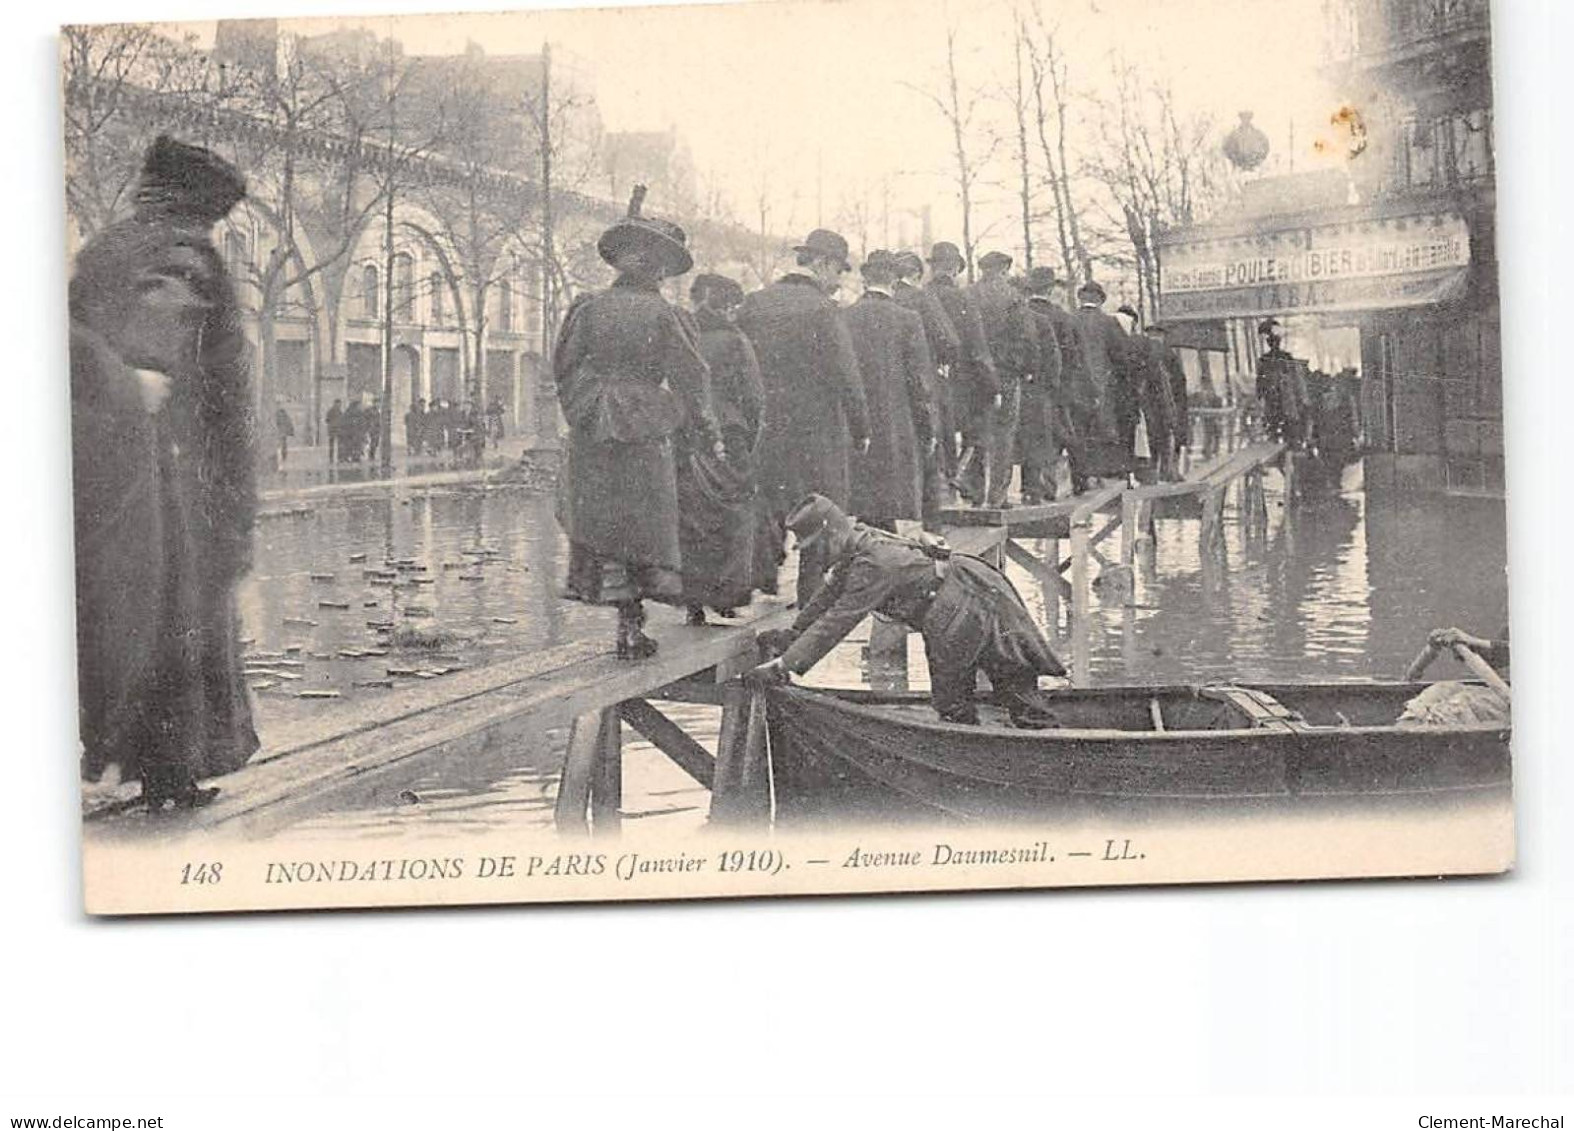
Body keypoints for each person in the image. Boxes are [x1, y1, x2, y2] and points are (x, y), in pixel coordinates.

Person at [68, 134, 259, 810]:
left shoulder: (102, 248)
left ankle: (131, 758)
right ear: (202, 206)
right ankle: (172, 771)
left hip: (96, 462)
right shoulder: (184, 251)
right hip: (176, 466)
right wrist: (149, 372)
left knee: (121, 610)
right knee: (183, 611)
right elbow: (162, 316)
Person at [555, 187, 719, 659]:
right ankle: (633, 624)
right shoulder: (668, 315)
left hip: (594, 426)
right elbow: (692, 379)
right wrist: (702, 430)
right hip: (646, 428)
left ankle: (624, 624)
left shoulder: (585, 308)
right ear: (661, 269)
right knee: (643, 526)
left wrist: (587, 408)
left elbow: (564, 369)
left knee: (602, 523)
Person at [749, 495, 1066, 727]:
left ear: (832, 534)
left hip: (966, 603)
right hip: (966, 594)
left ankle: (1024, 747)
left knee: (974, 693)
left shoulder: (873, 565)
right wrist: (792, 636)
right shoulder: (858, 545)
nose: (814, 556)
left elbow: (837, 621)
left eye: (816, 546)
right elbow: (826, 599)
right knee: (998, 684)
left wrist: (785, 664)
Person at [736, 227, 870, 607]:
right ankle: (809, 598)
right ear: (823, 264)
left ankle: (760, 582)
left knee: (767, 500)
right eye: (839, 270)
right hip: (817, 429)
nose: (839, 280)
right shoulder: (823, 310)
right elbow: (847, 374)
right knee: (820, 509)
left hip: (764, 423)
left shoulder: (754, 303)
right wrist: (861, 428)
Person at [678, 273, 766, 622]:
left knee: (691, 516)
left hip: (686, 432)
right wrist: (751, 434)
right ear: (729, 306)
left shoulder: (683, 335)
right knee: (736, 511)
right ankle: (727, 596)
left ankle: (693, 602)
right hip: (730, 434)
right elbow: (754, 396)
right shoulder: (735, 340)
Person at [843, 250, 936, 531]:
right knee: (886, 514)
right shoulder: (908, 320)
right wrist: (928, 429)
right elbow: (920, 383)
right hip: (896, 428)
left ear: (864, 278)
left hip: (854, 430)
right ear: (894, 280)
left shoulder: (844, 316)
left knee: (862, 510)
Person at [923, 242, 997, 503]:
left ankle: (938, 492)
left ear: (933, 268)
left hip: (930, 377)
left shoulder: (921, 296)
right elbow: (977, 347)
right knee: (977, 431)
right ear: (955, 268)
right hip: (964, 381)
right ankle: (970, 490)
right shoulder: (963, 298)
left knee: (936, 434)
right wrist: (992, 385)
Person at [964, 250, 1039, 506]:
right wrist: (1025, 367)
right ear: (1004, 268)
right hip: (1006, 374)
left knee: (976, 430)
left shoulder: (969, 294)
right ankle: (997, 495)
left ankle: (974, 492)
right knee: (1004, 434)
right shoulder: (1013, 297)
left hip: (974, 375)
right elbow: (1027, 336)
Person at [891, 251, 960, 526]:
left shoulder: (884, 300)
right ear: (917, 275)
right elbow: (949, 341)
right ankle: (931, 526)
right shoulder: (922, 299)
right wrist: (943, 362)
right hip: (921, 382)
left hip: (888, 393)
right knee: (929, 452)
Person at [1073, 280, 1137, 482]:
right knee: (1102, 432)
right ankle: (1099, 476)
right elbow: (1123, 357)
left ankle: (1078, 480)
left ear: (1080, 298)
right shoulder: (1109, 323)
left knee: (1076, 432)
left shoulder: (1070, 320)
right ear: (1101, 300)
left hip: (1074, 388)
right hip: (1103, 388)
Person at [1019, 267, 1073, 503]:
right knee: (1051, 437)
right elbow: (1070, 356)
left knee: (1027, 435)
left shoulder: (1020, 313)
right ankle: (1048, 487)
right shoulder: (1061, 317)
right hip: (1052, 387)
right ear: (1050, 289)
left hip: (1024, 384)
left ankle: (1029, 487)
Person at [325, 397, 343, 463]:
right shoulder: (332, 411)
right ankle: (332, 458)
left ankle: (336, 457)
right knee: (333, 445)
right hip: (333, 429)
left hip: (336, 429)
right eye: (338, 404)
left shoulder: (339, 411)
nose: (339, 405)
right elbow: (327, 420)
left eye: (339, 404)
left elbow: (327, 420)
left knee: (338, 444)